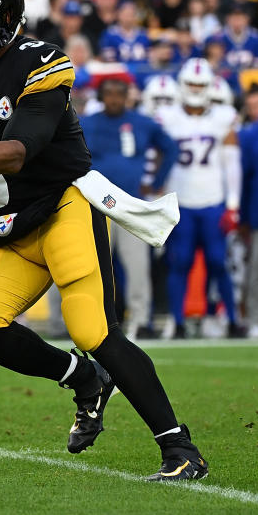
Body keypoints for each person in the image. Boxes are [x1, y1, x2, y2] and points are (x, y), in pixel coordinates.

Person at [0, 0, 207, 481]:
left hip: (63, 204)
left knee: (93, 327)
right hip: (10, 219)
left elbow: (21, 148)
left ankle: (179, 449)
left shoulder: (42, 61)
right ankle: (83, 379)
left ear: (3, 20)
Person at [81, 79, 179, 339]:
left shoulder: (142, 123)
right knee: (91, 267)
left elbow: (170, 149)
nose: (114, 99)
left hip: (130, 205)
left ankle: (140, 319)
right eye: (109, 94)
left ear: (128, 96)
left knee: (137, 267)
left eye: (119, 94)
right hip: (94, 204)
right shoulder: (87, 122)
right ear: (101, 97)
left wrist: (156, 183)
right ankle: (90, 320)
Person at [156, 58, 246, 339]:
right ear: (182, 84)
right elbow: (157, 158)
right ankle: (178, 321)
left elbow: (232, 164)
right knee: (179, 262)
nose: (195, 89)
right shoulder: (167, 115)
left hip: (212, 201)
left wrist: (232, 204)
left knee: (218, 262)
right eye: (191, 84)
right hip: (179, 201)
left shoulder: (224, 116)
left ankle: (231, 319)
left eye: (201, 84)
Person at [240, 88, 258, 335]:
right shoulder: (252, 134)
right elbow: (246, 179)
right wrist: (244, 215)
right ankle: (255, 321)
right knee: (257, 269)